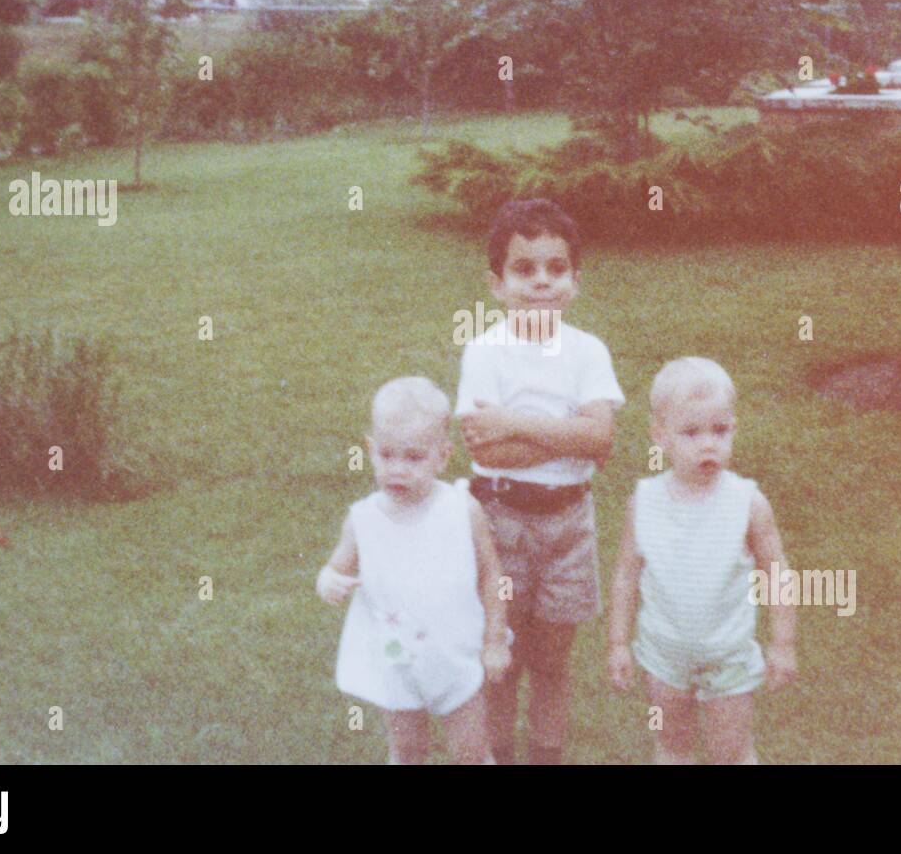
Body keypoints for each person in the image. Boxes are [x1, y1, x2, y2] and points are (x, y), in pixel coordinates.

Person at [456, 199, 624, 765]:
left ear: (575, 281)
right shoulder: (484, 352)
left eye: (556, 268)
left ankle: (547, 754)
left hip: (568, 526)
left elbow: (601, 440)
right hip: (498, 525)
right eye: (524, 270)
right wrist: (564, 433)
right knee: (499, 654)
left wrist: (515, 421)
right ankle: (497, 755)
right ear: (497, 284)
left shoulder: (587, 352)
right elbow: (487, 447)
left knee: (552, 661)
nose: (541, 282)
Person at [608, 357, 797, 764]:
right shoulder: (645, 502)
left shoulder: (747, 502)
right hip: (663, 658)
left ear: (734, 428)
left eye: (720, 430)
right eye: (691, 432)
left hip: (727, 658)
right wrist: (619, 643)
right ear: (660, 437)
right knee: (672, 747)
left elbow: (777, 573)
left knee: (730, 752)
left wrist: (782, 644)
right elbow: (626, 575)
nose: (708, 443)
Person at [317, 377, 511, 764]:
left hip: (456, 654)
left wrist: (494, 640)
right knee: (407, 749)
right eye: (387, 456)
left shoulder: (461, 510)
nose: (398, 470)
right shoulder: (364, 520)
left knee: (470, 750)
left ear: (442, 456)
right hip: (395, 658)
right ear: (370, 450)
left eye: (414, 457)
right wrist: (329, 582)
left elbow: (494, 577)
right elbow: (334, 568)